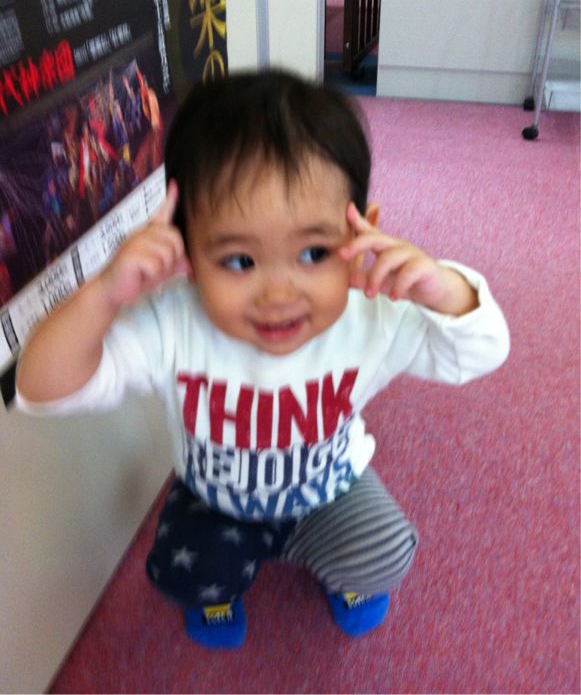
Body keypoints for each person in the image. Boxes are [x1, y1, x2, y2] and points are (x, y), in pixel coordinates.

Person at [15, 69, 510, 650]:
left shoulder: (374, 315)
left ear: (363, 235)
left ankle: (339, 571)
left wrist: (445, 289)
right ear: (187, 254)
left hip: (330, 492)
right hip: (216, 501)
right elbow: (42, 389)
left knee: (385, 556)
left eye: (313, 252)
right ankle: (219, 591)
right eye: (239, 261)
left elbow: (481, 352)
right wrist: (103, 294)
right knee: (183, 572)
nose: (278, 294)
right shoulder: (173, 321)